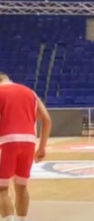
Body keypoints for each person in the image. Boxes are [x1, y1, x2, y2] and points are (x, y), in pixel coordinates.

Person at [0, 72, 52, 221]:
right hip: (29, 142)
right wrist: (42, 147)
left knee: (2, 188)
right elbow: (47, 119)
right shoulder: (30, 92)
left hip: (6, 141)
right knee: (21, 186)